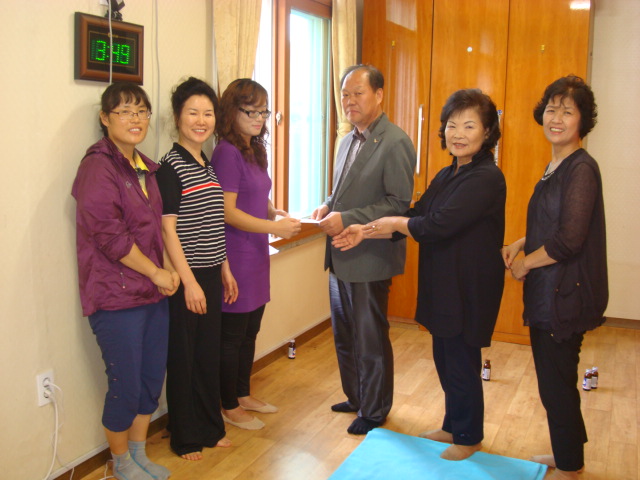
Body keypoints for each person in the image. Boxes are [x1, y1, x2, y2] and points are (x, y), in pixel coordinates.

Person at [333, 88, 506, 458]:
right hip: (443, 281)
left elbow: (437, 225)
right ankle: (452, 425)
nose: (458, 133)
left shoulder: (486, 177)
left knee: (461, 360)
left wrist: (392, 223)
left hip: (469, 286)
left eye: (469, 126)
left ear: (488, 131)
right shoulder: (448, 173)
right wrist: (366, 230)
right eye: (452, 125)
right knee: (445, 356)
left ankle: (469, 436)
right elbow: (415, 214)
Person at [72, 82, 180, 480]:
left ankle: (138, 453)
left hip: (151, 294)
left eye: (141, 111)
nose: (135, 119)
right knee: (125, 383)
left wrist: (166, 272)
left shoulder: (146, 168)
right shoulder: (97, 167)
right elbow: (110, 237)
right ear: (105, 118)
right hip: (115, 298)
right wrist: (156, 272)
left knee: (150, 379)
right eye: (124, 111)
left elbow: (155, 231)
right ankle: (119, 464)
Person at [502, 76, 607, 479]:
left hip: (566, 294)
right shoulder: (556, 166)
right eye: (551, 109)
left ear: (583, 120)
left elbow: (569, 239)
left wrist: (525, 263)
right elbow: (552, 224)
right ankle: (569, 455)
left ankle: (569, 465)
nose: (557, 118)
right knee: (555, 379)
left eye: (567, 111)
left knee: (556, 381)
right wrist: (519, 242)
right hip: (551, 289)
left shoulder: (581, 169)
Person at [310, 64, 415, 435]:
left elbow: (398, 203)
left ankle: (374, 410)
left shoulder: (395, 141)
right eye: (344, 94)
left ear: (379, 95)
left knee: (370, 338)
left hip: (371, 255)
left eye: (358, 93)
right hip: (340, 253)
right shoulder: (346, 141)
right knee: (345, 334)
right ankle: (356, 396)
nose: (349, 101)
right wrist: (326, 205)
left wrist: (348, 217)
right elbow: (341, 192)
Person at [211, 78, 301, 430]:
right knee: (232, 336)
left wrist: (274, 212)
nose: (259, 118)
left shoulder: (253, 149)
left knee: (251, 329)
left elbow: (256, 193)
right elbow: (227, 211)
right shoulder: (226, 152)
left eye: (263, 111)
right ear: (231, 112)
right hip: (235, 255)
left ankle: (243, 393)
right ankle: (228, 405)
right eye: (250, 111)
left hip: (257, 253)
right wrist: (273, 227)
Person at [156, 77, 237, 460]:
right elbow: (167, 231)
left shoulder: (206, 163)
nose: (201, 121)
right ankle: (185, 436)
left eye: (207, 113)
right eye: (193, 113)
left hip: (209, 272)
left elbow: (212, 221)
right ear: (178, 117)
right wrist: (189, 283)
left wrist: (224, 268)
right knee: (184, 358)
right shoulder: (169, 167)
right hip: (185, 277)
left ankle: (210, 426)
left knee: (206, 354)